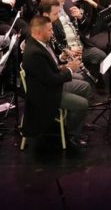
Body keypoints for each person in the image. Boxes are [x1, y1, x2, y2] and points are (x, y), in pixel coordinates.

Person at [21, 15, 88, 149]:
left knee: (84, 86)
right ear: (39, 32)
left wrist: (63, 60)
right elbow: (52, 80)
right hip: (46, 94)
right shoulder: (34, 53)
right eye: (49, 30)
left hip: (49, 86)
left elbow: (49, 67)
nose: (52, 33)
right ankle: (72, 135)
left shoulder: (39, 43)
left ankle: (74, 121)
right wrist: (70, 69)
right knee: (83, 104)